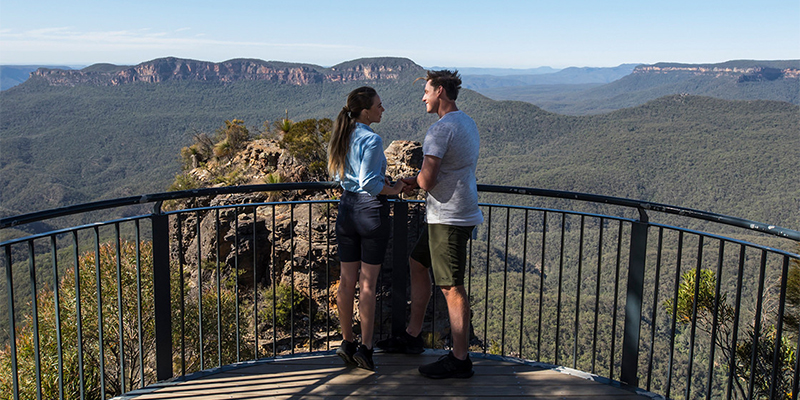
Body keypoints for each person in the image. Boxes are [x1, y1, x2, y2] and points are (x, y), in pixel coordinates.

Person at [376, 70, 483, 379]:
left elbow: (429, 178)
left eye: (426, 91)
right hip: (453, 211)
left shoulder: (440, 130)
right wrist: (419, 180)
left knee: (451, 287)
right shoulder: (467, 122)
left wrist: (413, 181)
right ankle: (412, 336)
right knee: (417, 263)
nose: (423, 97)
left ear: (440, 92)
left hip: (448, 217)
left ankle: (460, 358)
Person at [328, 86, 406, 371]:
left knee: (346, 281)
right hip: (370, 212)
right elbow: (370, 184)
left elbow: (338, 175)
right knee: (367, 285)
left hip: (346, 209)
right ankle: (367, 347)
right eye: (379, 105)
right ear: (365, 111)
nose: (382, 109)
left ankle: (347, 341)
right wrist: (396, 188)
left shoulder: (342, 135)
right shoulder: (372, 140)